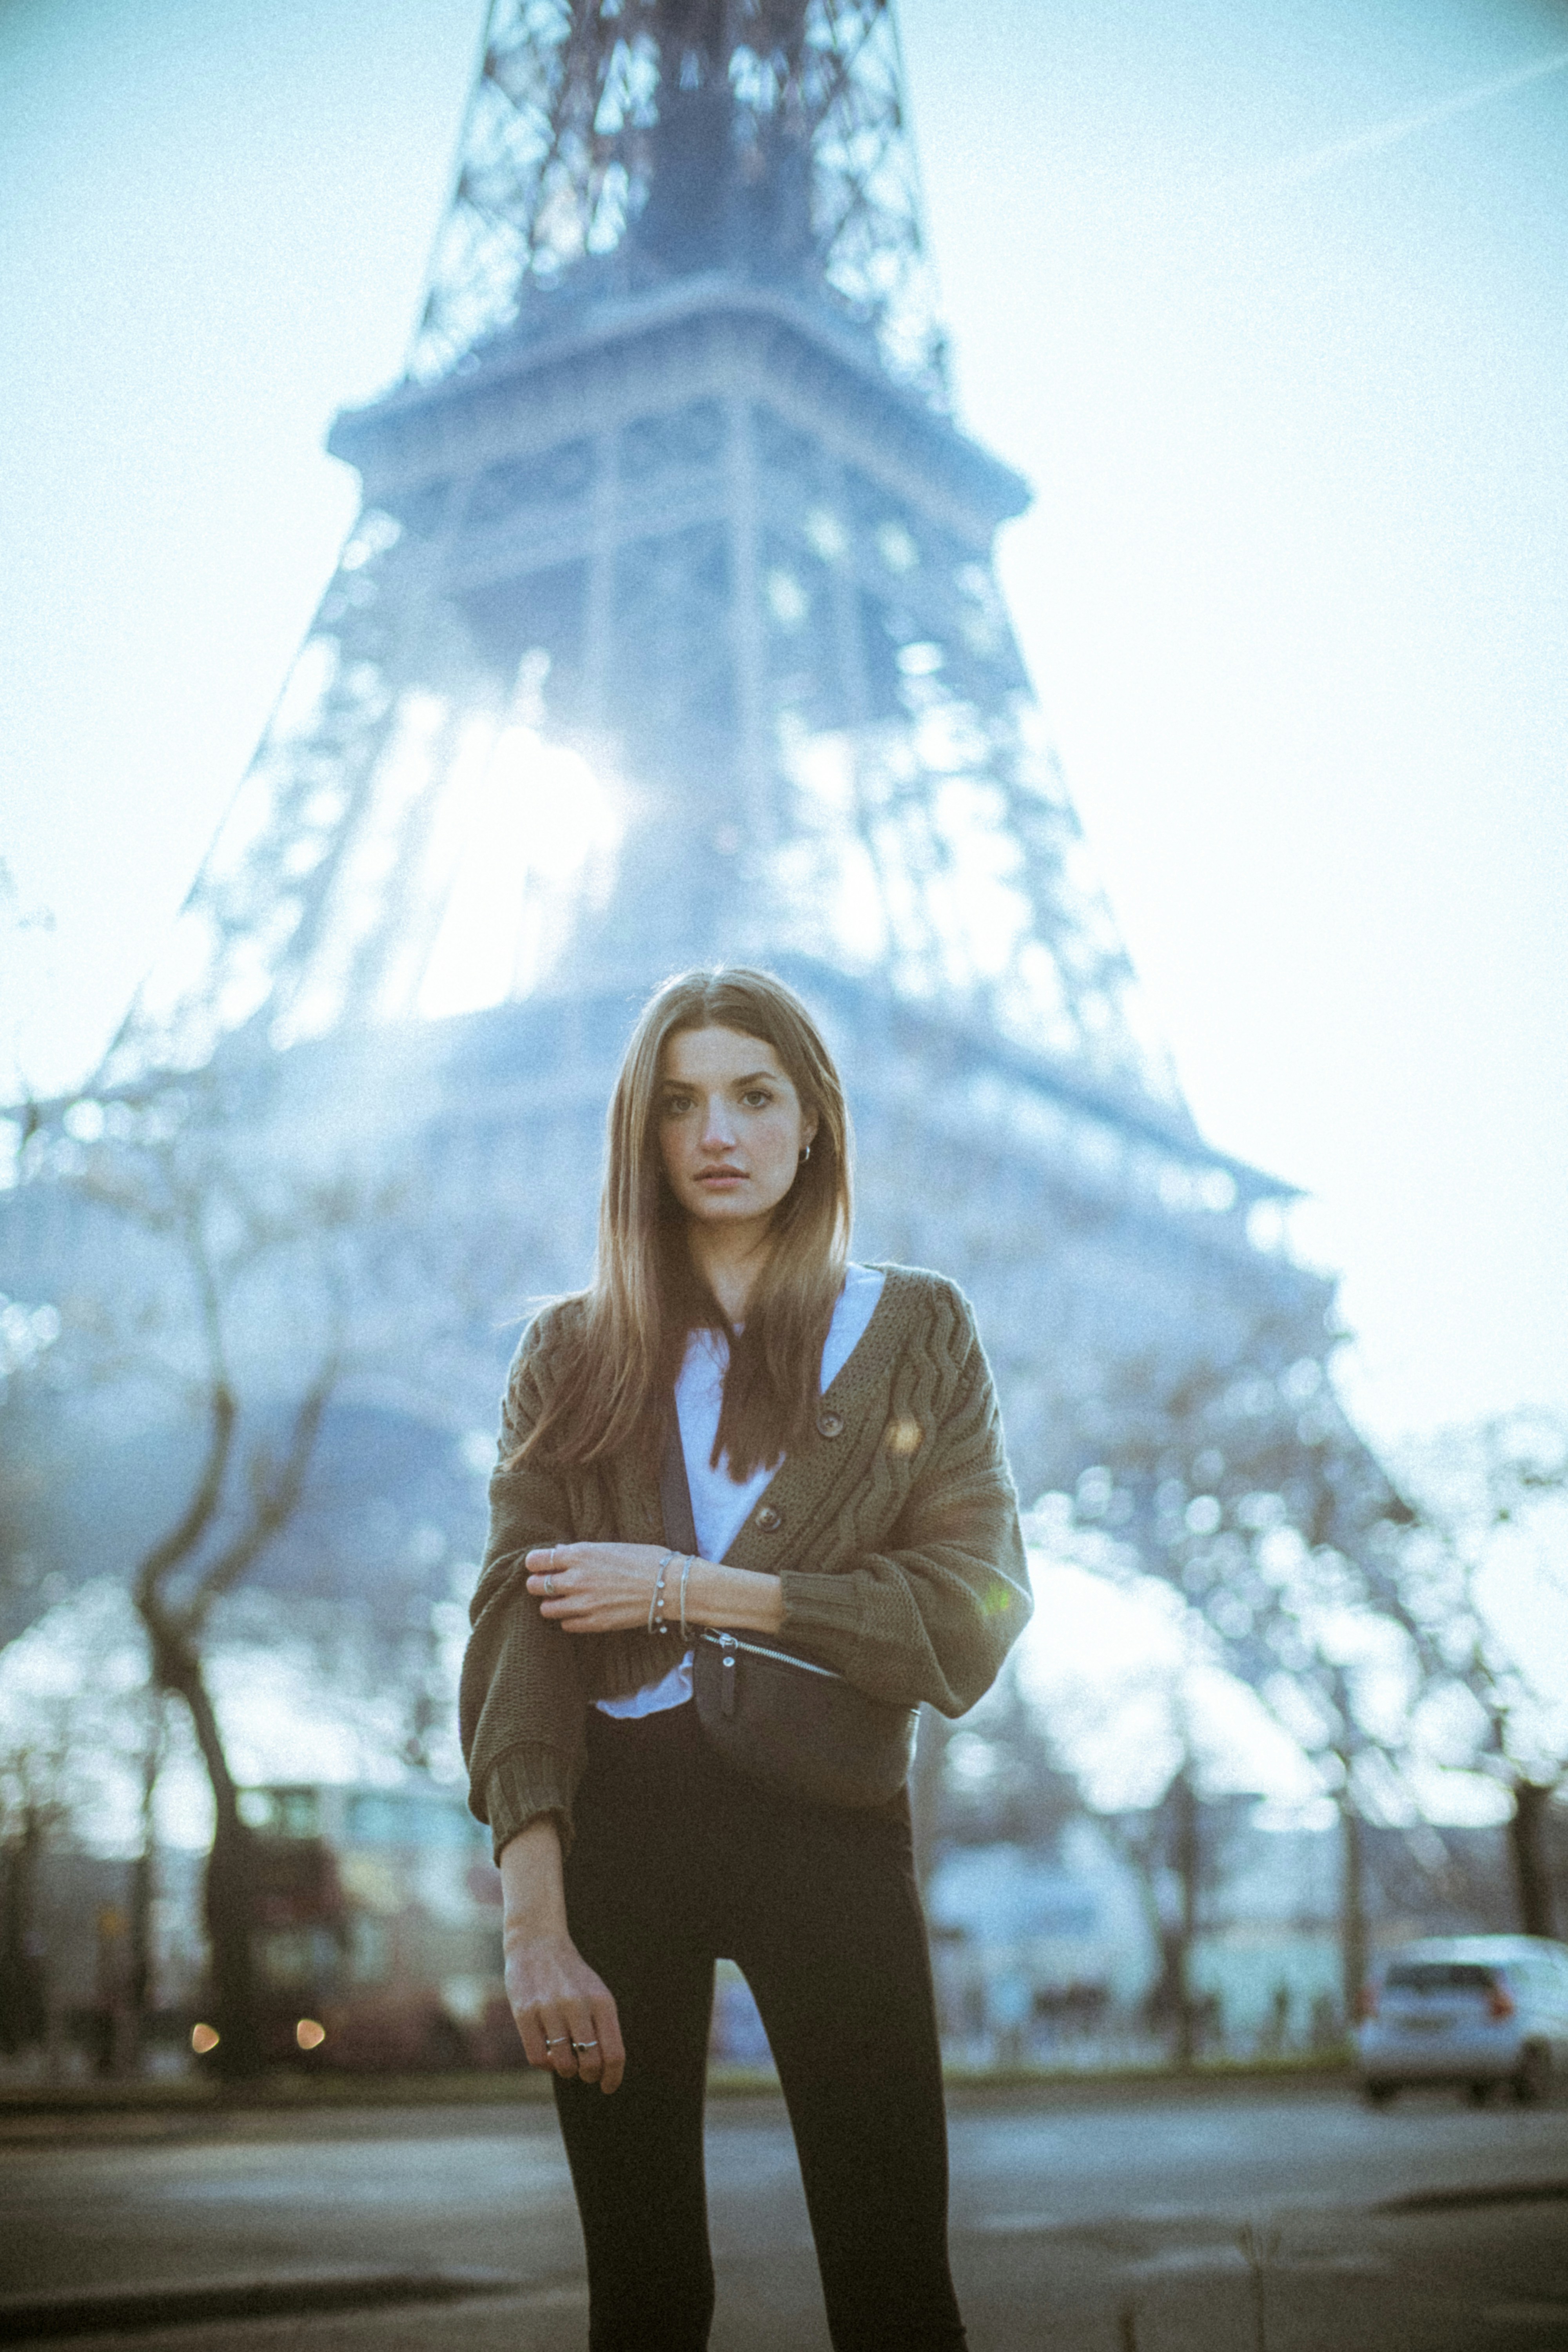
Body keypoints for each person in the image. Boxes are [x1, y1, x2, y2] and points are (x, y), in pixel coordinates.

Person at [460, 967, 1032, 2351]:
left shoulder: (918, 1330)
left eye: (754, 1095)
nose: (717, 1130)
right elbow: (516, 1625)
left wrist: (692, 1589)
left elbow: (971, 1612)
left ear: (815, 1122)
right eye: (679, 1102)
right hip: (618, 1832)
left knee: (898, 2293)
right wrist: (535, 1924)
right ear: (639, 1136)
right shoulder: (572, 1351)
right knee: (645, 2302)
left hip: (828, 1826)